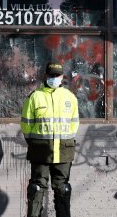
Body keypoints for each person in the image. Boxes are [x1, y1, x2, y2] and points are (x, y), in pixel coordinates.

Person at [20, 63, 79, 217]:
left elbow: (74, 124)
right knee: (36, 188)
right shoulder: (35, 96)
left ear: (62, 77)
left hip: (64, 151)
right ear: (46, 76)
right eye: (51, 75)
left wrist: (64, 141)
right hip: (41, 151)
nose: (54, 78)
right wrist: (35, 144)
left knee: (63, 189)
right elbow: (26, 125)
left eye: (57, 75)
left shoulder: (69, 97)